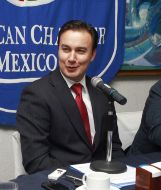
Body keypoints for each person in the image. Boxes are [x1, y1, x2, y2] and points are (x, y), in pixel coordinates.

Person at [16, 20, 124, 174]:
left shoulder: (102, 92)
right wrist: (85, 179)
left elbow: (114, 148)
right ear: (58, 49)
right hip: (64, 182)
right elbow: (36, 162)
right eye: (65, 49)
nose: (71, 58)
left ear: (92, 55)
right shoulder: (36, 95)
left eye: (80, 51)